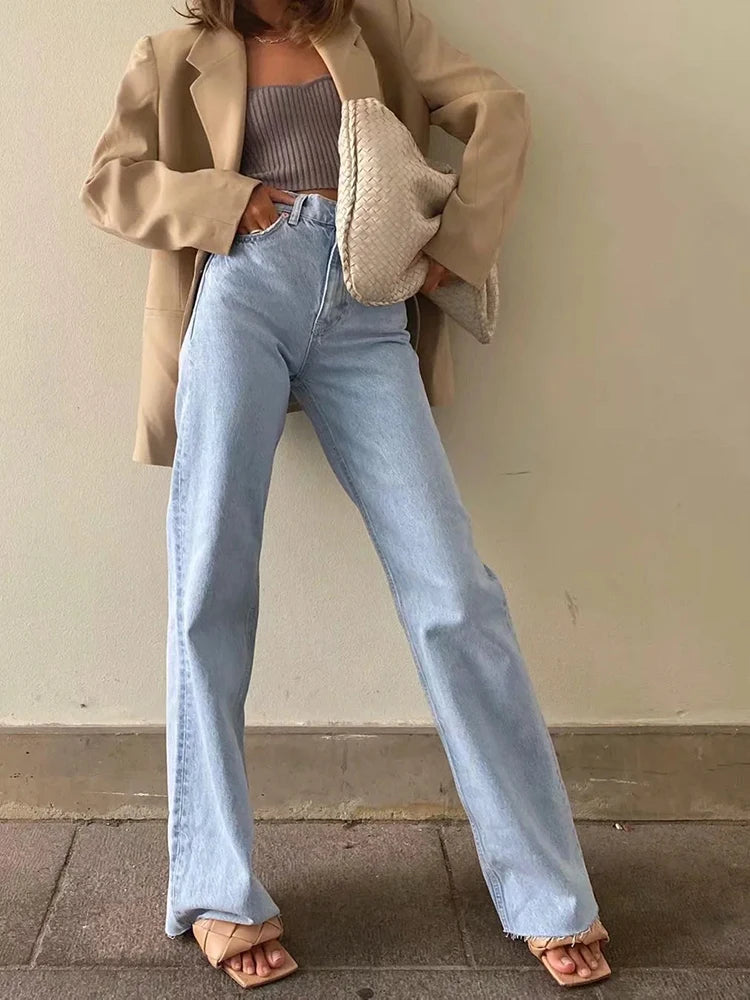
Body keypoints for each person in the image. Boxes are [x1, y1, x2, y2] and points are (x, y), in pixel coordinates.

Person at [79, 0, 611, 989]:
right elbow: (110, 181)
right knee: (209, 582)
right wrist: (228, 202)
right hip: (240, 290)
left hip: (366, 303)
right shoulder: (174, 53)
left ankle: (548, 891)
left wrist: (458, 244)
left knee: (454, 592)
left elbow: (499, 108)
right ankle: (218, 890)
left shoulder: (379, 25)